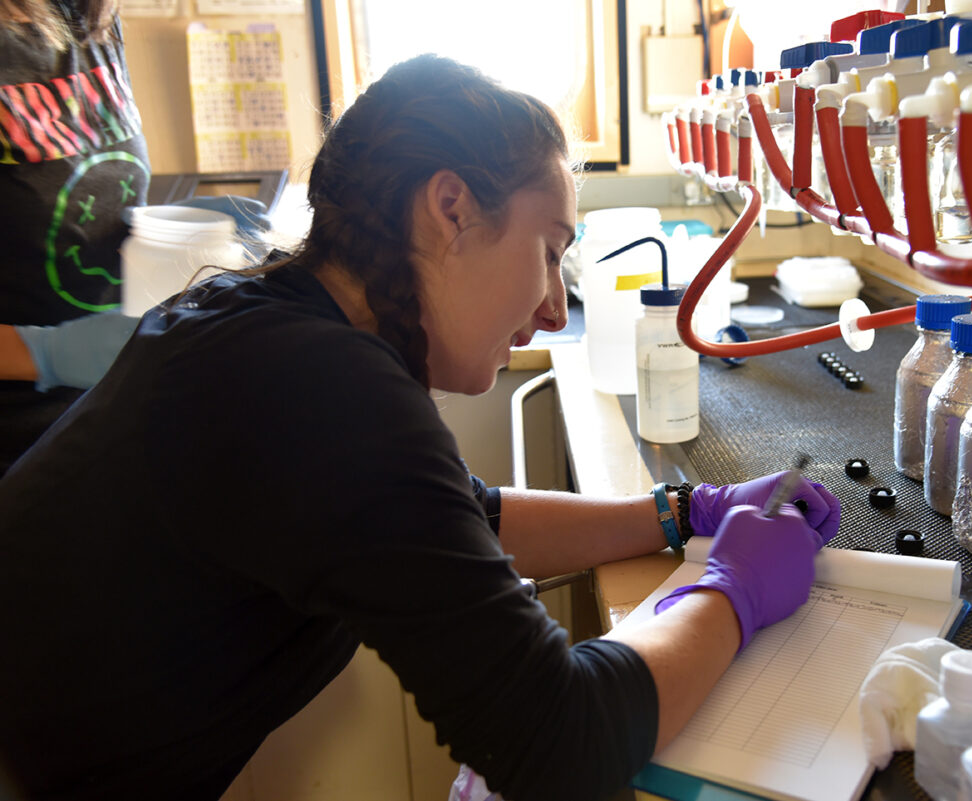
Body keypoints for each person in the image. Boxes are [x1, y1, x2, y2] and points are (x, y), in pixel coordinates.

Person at [0, 54, 842, 801]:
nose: (554, 308)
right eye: (550, 250)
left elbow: (459, 517)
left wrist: (681, 510)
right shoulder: (319, 386)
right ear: (450, 206)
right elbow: (561, 742)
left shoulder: (267, 321)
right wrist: (732, 592)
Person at [0, 0, 152, 476]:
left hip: (104, 418)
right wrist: (47, 355)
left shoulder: (90, 18)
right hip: (18, 445)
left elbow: (101, 185)